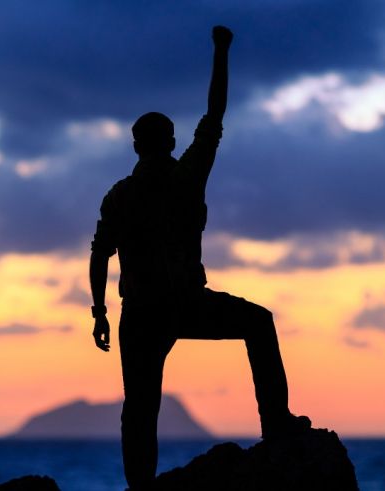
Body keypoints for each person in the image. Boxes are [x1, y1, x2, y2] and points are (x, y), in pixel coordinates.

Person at [88, 26, 310, 489]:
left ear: (135, 146)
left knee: (140, 406)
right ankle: (277, 424)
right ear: (170, 142)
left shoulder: (119, 196)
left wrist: (100, 312)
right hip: (186, 303)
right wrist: (221, 51)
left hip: (142, 313)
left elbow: (98, 256)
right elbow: (215, 113)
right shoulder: (187, 175)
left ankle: (140, 486)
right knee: (259, 323)